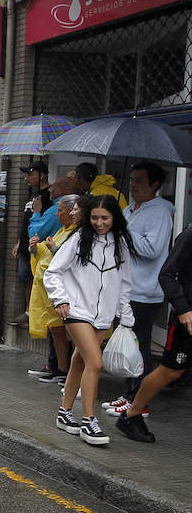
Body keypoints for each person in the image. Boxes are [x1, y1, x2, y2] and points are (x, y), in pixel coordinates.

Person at [44, 194, 134, 446]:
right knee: (95, 362)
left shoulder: (120, 244)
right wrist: (60, 299)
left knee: (80, 361)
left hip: (104, 315)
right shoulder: (78, 239)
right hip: (76, 310)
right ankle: (88, 421)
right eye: (94, 217)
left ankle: (64, 412)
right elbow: (53, 272)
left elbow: (126, 283)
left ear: (114, 217)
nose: (99, 222)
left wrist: (125, 314)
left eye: (105, 217)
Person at [101, 162, 174, 421]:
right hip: (125, 288)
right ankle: (130, 391)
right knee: (128, 342)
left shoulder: (161, 212)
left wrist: (124, 228)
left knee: (138, 345)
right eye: (131, 179)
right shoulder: (131, 208)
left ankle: (138, 402)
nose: (133, 185)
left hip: (144, 290)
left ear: (155, 184)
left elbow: (152, 249)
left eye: (140, 180)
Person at [116, 223, 192, 443]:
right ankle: (132, 414)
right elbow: (167, 274)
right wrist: (184, 309)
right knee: (170, 372)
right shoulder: (189, 234)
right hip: (186, 319)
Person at [27, 193, 80, 386]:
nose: (57, 214)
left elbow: (71, 260)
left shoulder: (77, 233)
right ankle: (60, 368)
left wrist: (53, 248)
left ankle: (69, 372)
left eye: (61, 210)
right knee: (56, 331)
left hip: (66, 291)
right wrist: (35, 248)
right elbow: (45, 251)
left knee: (69, 333)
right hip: (50, 290)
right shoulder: (63, 230)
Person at [9, 160, 52, 325]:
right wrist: (20, 241)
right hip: (26, 246)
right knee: (26, 278)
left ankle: (39, 312)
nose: (26, 178)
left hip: (39, 247)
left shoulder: (49, 196)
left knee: (38, 279)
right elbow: (27, 220)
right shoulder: (33, 194)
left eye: (30, 174)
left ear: (42, 175)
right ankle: (28, 311)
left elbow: (44, 223)